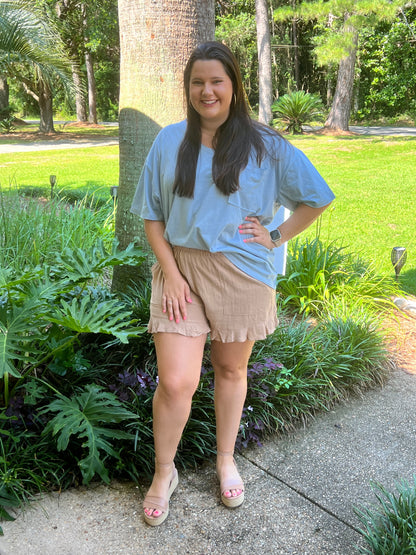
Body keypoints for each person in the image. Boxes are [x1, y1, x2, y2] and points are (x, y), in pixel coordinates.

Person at [130, 41, 335, 527]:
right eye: (197, 82)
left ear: (234, 86)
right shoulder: (169, 142)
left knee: (230, 371)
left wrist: (276, 234)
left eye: (216, 81)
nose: (207, 91)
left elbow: (317, 196)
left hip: (243, 272)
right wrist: (174, 276)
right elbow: (152, 220)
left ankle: (226, 458)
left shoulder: (264, 144)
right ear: (188, 88)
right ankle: (165, 472)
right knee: (177, 382)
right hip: (181, 271)